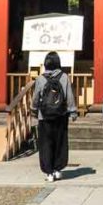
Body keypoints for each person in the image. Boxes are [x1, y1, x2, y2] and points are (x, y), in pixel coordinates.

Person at [31, 52, 78, 182]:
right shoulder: (64, 77)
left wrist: (33, 110)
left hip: (44, 116)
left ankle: (49, 172)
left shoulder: (40, 79)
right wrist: (73, 111)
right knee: (60, 142)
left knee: (45, 144)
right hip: (61, 115)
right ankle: (58, 169)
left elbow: (36, 97)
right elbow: (69, 96)